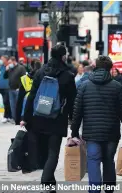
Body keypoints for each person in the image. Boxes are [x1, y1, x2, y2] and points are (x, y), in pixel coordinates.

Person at [71, 56, 122, 193]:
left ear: (95, 67)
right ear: (110, 69)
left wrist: (74, 131)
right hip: (111, 132)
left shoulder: (84, 86)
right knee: (108, 160)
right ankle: (109, 189)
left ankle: (94, 190)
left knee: (93, 159)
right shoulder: (116, 87)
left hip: (91, 133)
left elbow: (77, 112)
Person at [22, 44, 76, 191]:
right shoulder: (68, 75)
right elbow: (72, 101)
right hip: (57, 119)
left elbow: (32, 96)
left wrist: (25, 117)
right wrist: (73, 122)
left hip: (38, 117)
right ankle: (46, 181)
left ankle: (50, 185)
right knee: (53, 152)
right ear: (63, 56)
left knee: (44, 152)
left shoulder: (40, 72)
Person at [15, 59, 41, 126]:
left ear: (31, 66)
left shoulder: (24, 78)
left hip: (28, 107)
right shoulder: (44, 77)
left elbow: (20, 99)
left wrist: (18, 118)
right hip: (41, 105)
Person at [4, 56, 26, 122]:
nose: (9, 64)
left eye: (10, 62)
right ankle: (14, 118)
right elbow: (5, 77)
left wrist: (20, 87)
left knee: (18, 104)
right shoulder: (10, 69)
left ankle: (19, 118)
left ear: (14, 61)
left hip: (18, 89)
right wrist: (6, 70)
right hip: (11, 89)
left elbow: (23, 78)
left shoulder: (21, 68)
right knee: (12, 105)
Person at [0, 55, 12, 123]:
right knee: (5, 102)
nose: (1, 60)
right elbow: (0, 76)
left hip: (7, 87)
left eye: (2, 59)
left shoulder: (9, 67)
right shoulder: (2, 67)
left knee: (6, 102)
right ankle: (8, 116)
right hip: (2, 87)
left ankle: (6, 116)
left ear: (6, 59)